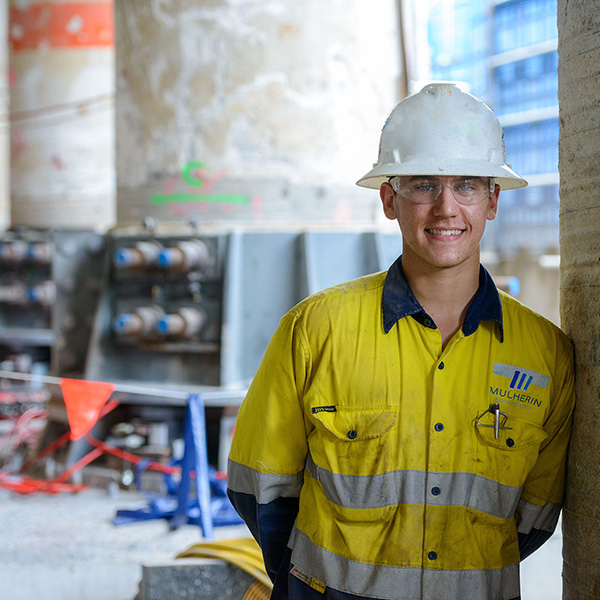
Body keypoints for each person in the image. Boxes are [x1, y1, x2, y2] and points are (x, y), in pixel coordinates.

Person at [227, 83, 575, 600]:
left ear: (493, 200)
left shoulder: (545, 354)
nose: (446, 209)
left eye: (466, 185)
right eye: (423, 185)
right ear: (390, 199)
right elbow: (260, 490)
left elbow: (535, 516)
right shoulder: (315, 330)